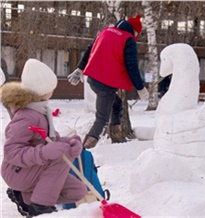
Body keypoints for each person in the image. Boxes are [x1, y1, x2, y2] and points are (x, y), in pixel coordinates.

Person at [0, 59, 87, 217]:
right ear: (42, 90)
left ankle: (25, 197)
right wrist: (45, 152)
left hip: (33, 169)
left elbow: (49, 140)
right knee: (61, 155)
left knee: (78, 191)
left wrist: (69, 142)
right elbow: (12, 153)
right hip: (16, 171)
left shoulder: (41, 110)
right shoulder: (26, 117)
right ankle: (40, 208)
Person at [67, 14, 149, 149]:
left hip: (93, 80)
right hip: (106, 85)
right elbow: (132, 67)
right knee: (102, 119)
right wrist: (140, 88)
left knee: (117, 105)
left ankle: (116, 137)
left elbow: (90, 50)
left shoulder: (106, 31)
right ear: (134, 31)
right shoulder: (128, 40)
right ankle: (84, 148)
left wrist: (80, 69)